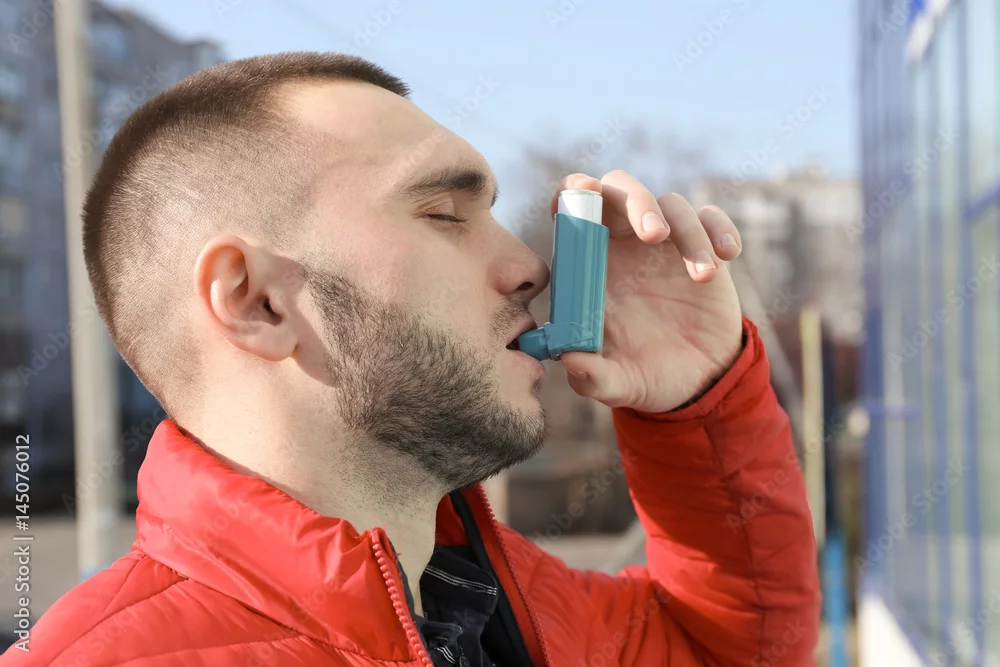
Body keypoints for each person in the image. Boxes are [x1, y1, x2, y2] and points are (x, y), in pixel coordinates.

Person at [5, 52, 820, 666]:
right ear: (257, 300)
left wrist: (697, 401)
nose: (529, 266)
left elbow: (731, 651)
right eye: (444, 214)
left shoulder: (505, 607)